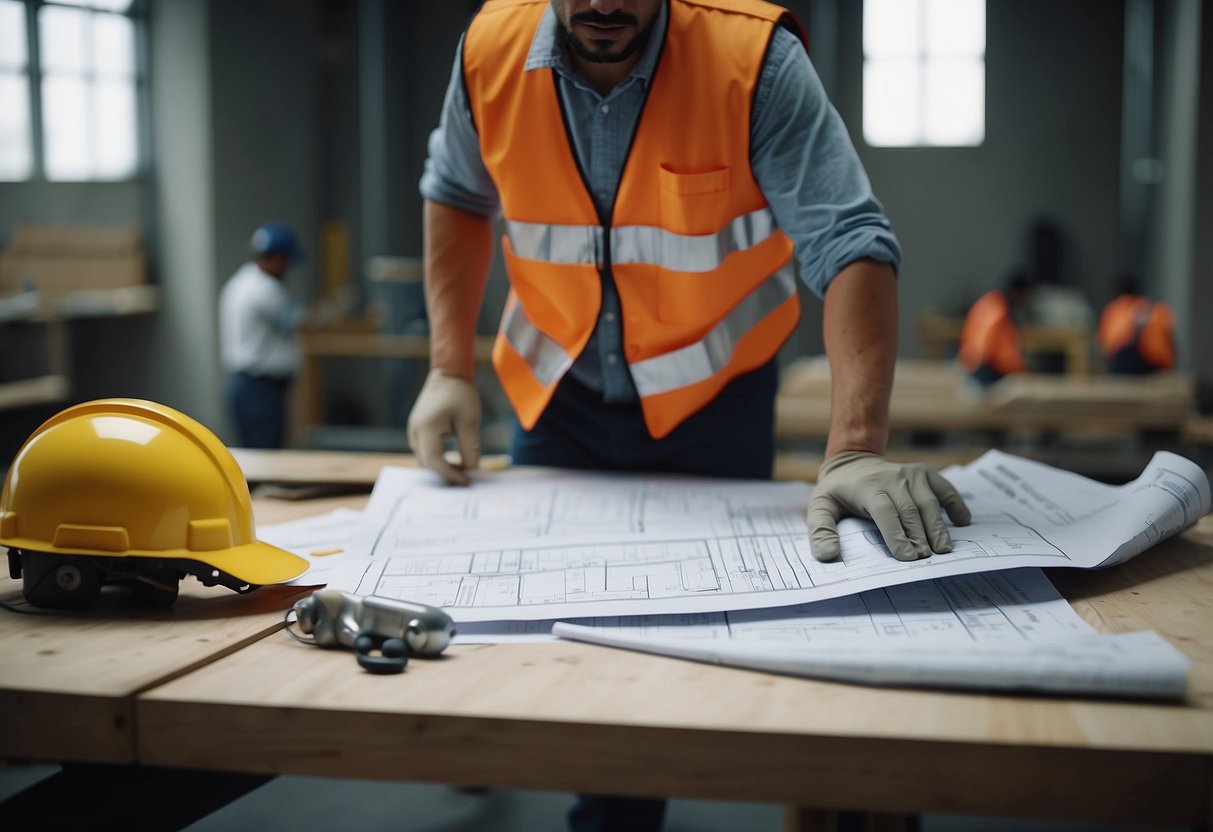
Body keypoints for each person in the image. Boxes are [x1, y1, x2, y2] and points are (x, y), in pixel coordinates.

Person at [409, 1, 972, 827]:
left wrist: (854, 447)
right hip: (557, 394)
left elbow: (849, 240)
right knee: (570, 647)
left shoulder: (753, 62)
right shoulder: (489, 52)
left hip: (712, 397)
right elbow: (455, 191)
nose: (605, 5)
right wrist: (446, 368)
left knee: (709, 635)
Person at [218, 221, 305, 449]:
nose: (286, 267)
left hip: (245, 386)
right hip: (260, 390)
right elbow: (300, 322)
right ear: (276, 258)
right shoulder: (264, 288)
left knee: (254, 462)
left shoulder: (240, 281)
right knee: (267, 461)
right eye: (285, 261)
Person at [958, 272, 1029, 386]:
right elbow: (998, 352)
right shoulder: (998, 312)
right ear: (1016, 293)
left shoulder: (991, 302)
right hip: (982, 370)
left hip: (972, 364)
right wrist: (1020, 369)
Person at [1097, 275, 1176, 374]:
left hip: (1129, 363)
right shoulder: (1157, 308)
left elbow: (1106, 343)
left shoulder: (1116, 310)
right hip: (1159, 363)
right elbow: (1170, 340)